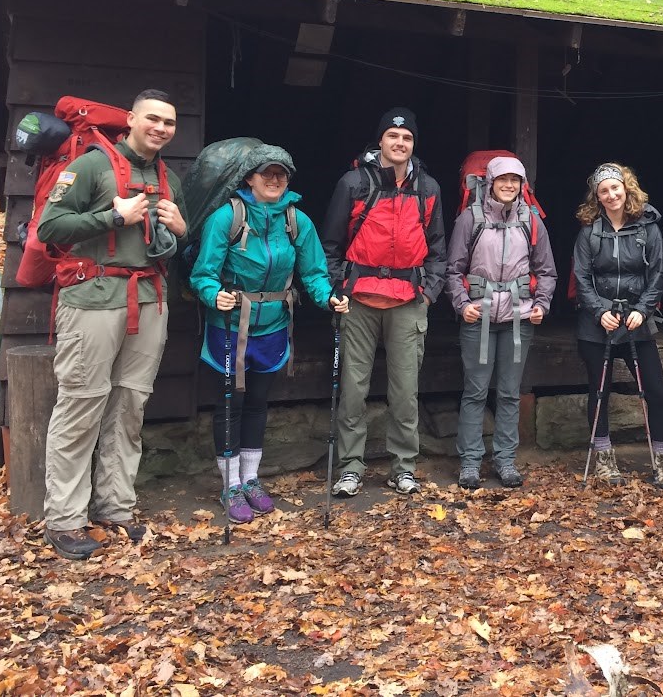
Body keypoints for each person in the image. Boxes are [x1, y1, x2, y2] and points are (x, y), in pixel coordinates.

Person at [37, 89, 188, 559]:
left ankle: (115, 509)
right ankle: (63, 520)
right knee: (81, 405)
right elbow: (49, 228)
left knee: (129, 408)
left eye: (169, 122)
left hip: (149, 301)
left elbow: (166, 246)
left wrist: (182, 231)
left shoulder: (169, 178)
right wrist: (112, 216)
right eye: (153, 119)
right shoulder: (90, 166)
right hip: (92, 300)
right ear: (131, 119)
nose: (161, 128)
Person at [190, 144, 349, 523]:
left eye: (282, 174)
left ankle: (251, 479)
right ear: (249, 178)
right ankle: (230, 484)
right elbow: (203, 273)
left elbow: (313, 272)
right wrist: (215, 295)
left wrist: (328, 297)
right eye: (267, 173)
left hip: (274, 326)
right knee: (230, 403)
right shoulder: (226, 218)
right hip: (230, 324)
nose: (275, 180)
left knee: (258, 401)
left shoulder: (297, 221)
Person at [321, 107, 445, 497]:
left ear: (413, 144)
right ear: (381, 141)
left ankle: (403, 466)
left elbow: (438, 249)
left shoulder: (428, 188)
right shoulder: (354, 183)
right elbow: (330, 245)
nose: (400, 143)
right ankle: (351, 467)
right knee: (354, 389)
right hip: (358, 299)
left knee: (405, 391)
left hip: (408, 300)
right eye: (393, 137)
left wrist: (428, 293)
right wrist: (336, 288)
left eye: (407, 138)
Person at [446, 155, 556, 490]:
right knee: (475, 391)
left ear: (523, 185)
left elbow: (547, 270)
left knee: (509, 393)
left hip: (518, 317)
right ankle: (469, 463)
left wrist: (542, 304)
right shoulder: (470, 219)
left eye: (515, 180)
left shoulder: (532, 220)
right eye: (502, 179)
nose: (509, 186)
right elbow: (453, 269)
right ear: (490, 182)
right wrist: (461, 304)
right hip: (478, 316)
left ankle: (505, 461)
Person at [573, 163, 663, 489]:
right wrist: (599, 310)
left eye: (616, 188)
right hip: (597, 323)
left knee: (656, 391)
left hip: (637, 321)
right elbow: (581, 277)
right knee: (599, 392)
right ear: (597, 197)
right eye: (604, 190)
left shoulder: (648, 229)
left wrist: (643, 311)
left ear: (627, 188)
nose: (611, 194)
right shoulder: (589, 231)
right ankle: (604, 462)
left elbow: (658, 275)